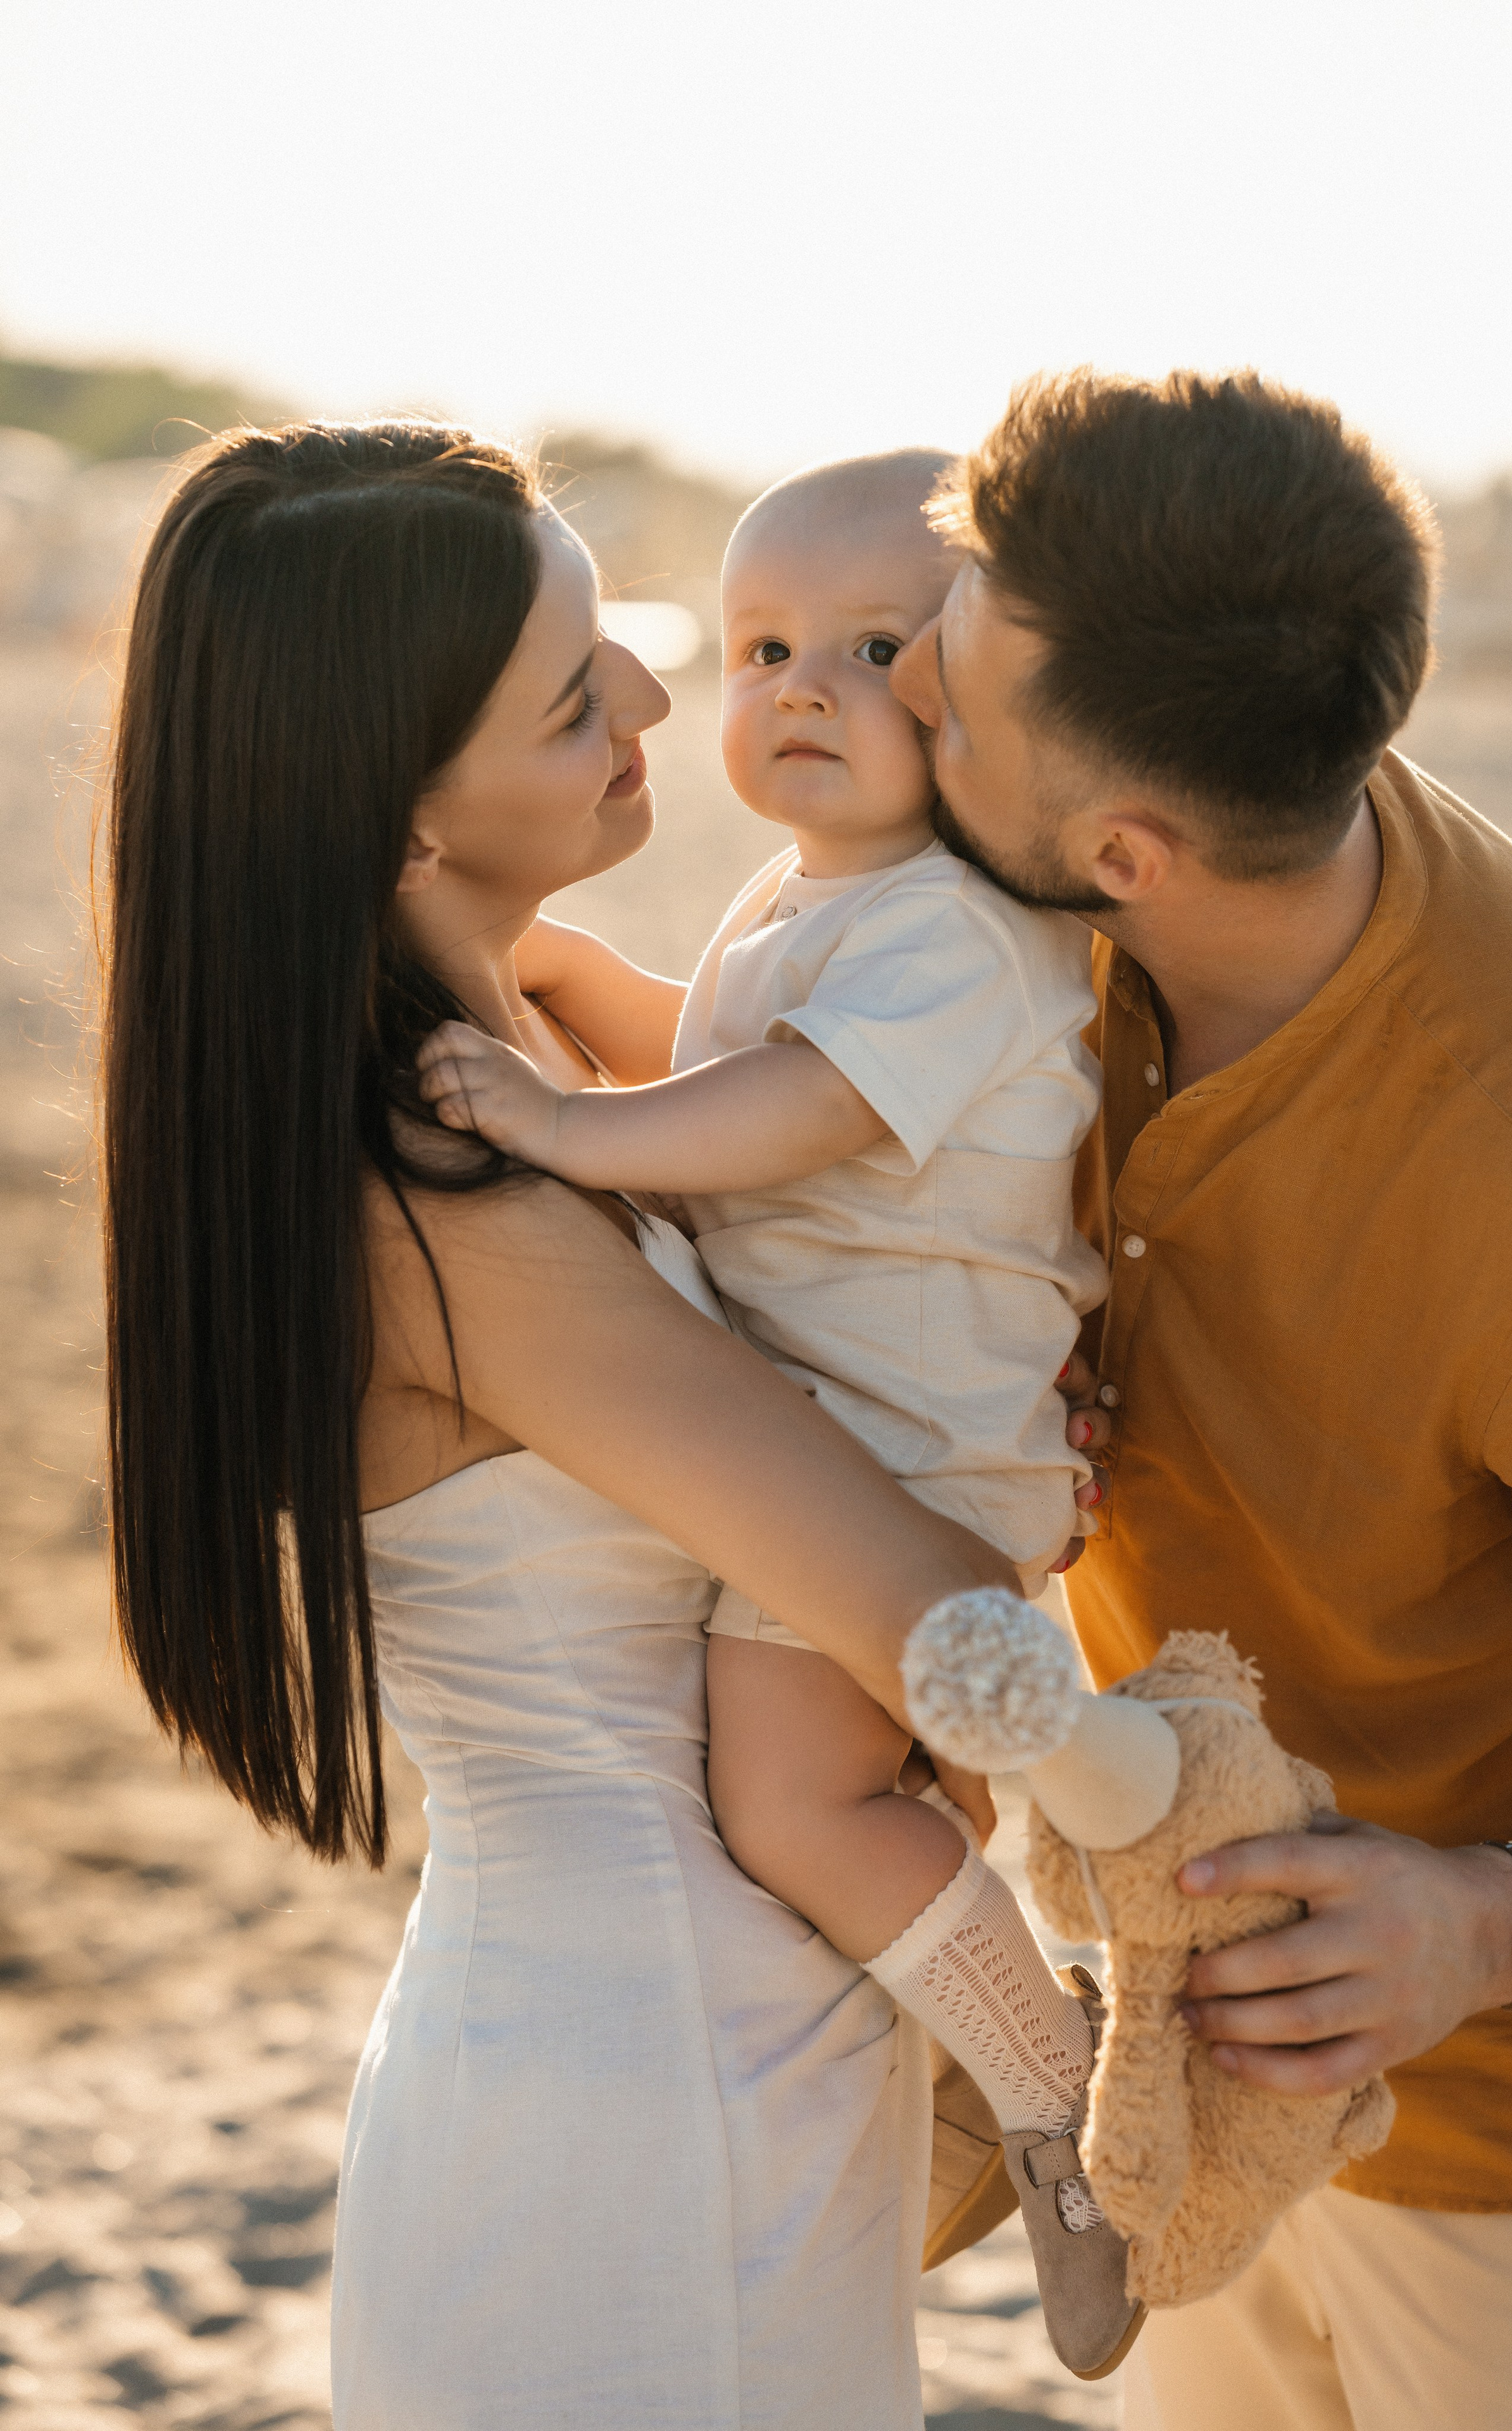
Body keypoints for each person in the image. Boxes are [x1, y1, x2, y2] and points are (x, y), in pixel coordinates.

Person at [97, 420, 1060, 2430]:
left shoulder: (522, 1054)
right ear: (398, 831)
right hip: (643, 2145)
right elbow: (928, 1609)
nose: (650, 689)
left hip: (666, 2071)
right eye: (567, 697)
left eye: (613, 629)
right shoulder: (462, 1205)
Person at [889, 367, 1512, 2430]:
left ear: (1125, 848)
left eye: (940, 703)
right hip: (1188, 2076)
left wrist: (1498, 1923)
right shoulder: (1044, 926)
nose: (898, 716)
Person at [416, 451, 1140, 2375]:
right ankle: (1033, 2059)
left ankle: (1058, 2101)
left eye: (873, 649)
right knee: (842, 1793)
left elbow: (790, 1116)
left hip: (914, 1450)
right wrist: (565, 984)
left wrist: (570, 1115)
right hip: (872, 1428)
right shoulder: (817, 898)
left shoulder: (959, 931)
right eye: (758, 647)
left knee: (798, 1796)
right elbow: (737, 1070)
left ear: (987, 694)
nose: (792, 687)